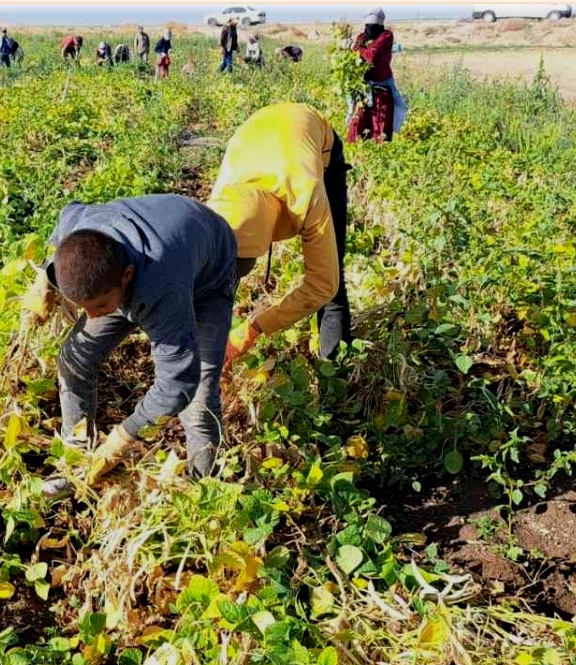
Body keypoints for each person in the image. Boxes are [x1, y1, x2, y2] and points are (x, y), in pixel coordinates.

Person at [23, 195, 238, 493]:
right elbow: (67, 215)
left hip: (207, 278)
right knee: (74, 357)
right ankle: (78, 459)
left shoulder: (162, 288)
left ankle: (203, 493)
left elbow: (178, 385)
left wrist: (122, 437)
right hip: (145, 255)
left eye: (98, 305)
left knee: (199, 399)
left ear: (126, 277)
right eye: (83, 306)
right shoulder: (81, 229)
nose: (91, 316)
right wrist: (45, 281)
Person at [206, 103, 353, 364]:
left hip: (311, 140)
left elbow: (323, 286)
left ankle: (336, 370)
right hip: (260, 134)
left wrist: (254, 328)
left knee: (333, 281)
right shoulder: (220, 204)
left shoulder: (305, 193)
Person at [347, 8, 408, 142]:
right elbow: (355, 58)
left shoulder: (386, 36)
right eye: (368, 26)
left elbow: (371, 56)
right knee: (355, 115)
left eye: (374, 27)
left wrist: (354, 47)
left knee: (397, 109)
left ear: (380, 26)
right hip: (364, 82)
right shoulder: (362, 37)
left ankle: (393, 137)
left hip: (383, 81)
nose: (370, 30)